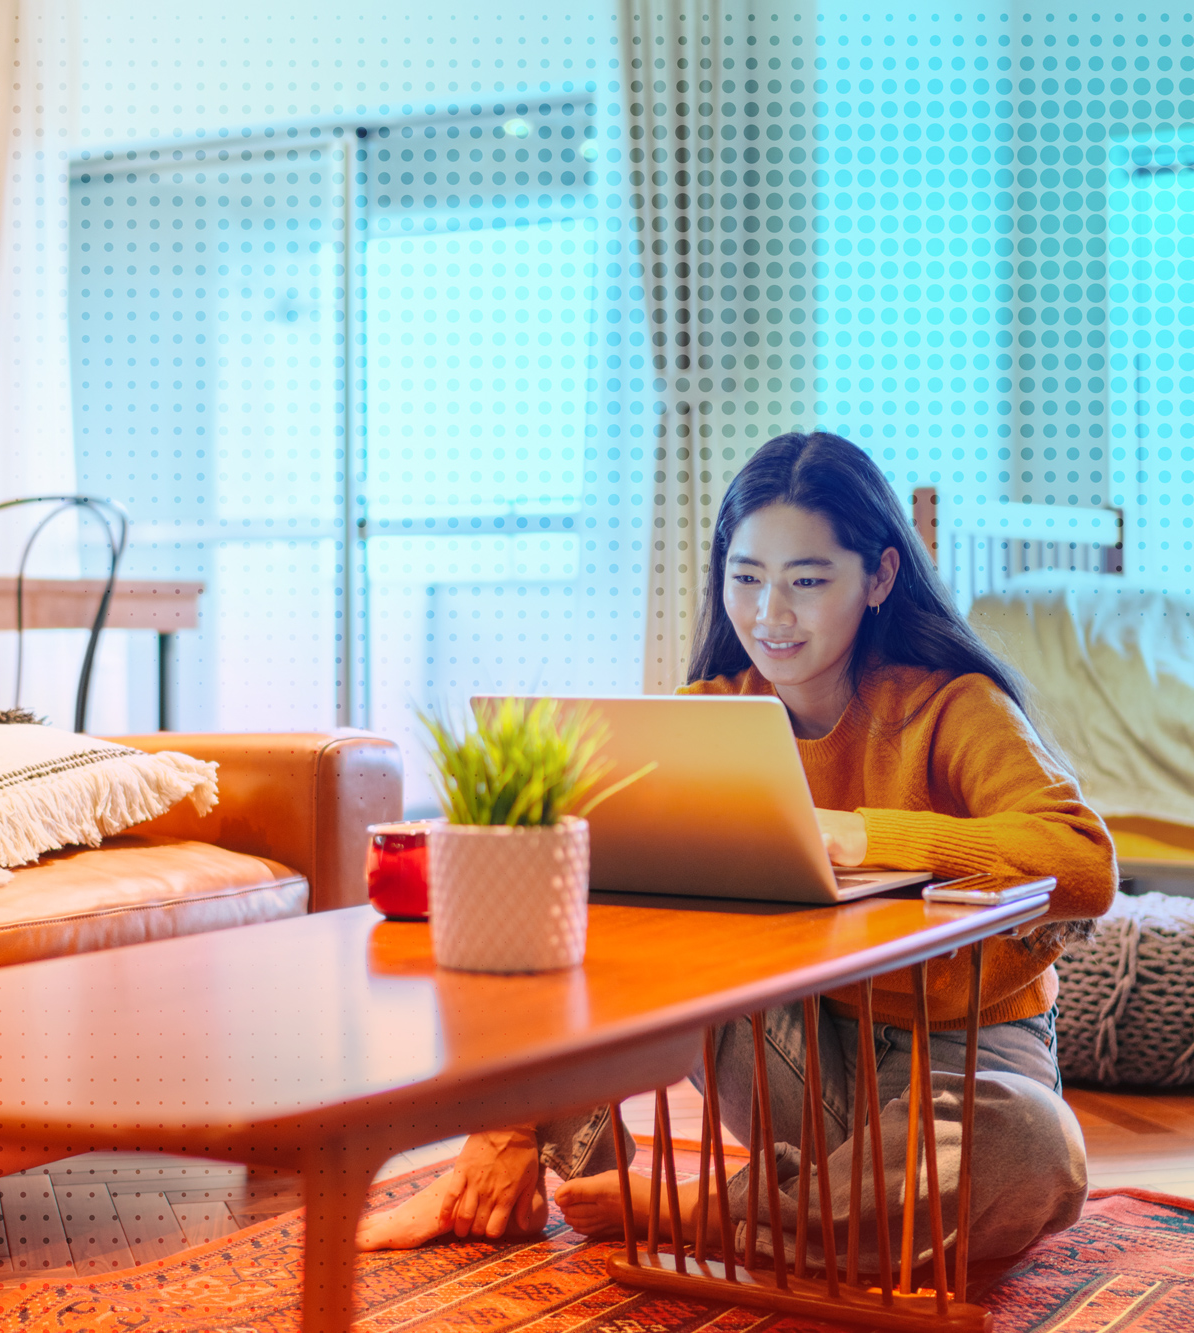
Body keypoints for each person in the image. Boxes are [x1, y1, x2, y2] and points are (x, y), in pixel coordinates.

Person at [358, 432, 1113, 1269]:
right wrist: (502, 1125)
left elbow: (1082, 860)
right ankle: (534, 1171)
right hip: (802, 1060)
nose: (769, 613)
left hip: (966, 1075)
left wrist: (861, 832)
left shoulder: (953, 706)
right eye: (746, 577)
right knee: (610, 904)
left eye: (807, 581)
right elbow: (595, 912)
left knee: (1041, 1148)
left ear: (881, 578)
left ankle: (704, 1210)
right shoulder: (708, 716)